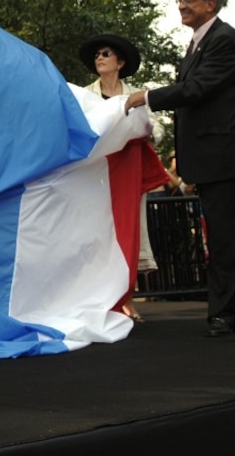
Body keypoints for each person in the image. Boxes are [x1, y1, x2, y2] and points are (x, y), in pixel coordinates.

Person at [125, 0, 235, 336]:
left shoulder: (224, 40)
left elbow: (197, 89)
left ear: (212, 4)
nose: (182, 5)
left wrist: (147, 96)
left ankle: (223, 312)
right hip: (212, 156)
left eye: (189, 0)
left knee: (225, 238)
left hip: (225, 157)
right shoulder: (198, 43)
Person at [80, 33, 158, 323]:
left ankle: (127, 300)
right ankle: (99, 302)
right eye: (97, 55)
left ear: (120, 62)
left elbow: (156, 129)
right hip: (96, 176)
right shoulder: (85, 95)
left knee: (129, 234)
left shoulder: (136, 95)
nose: (99, 58)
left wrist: (146, 130)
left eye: (106, 54)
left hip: (130, 172)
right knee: (98, 237)